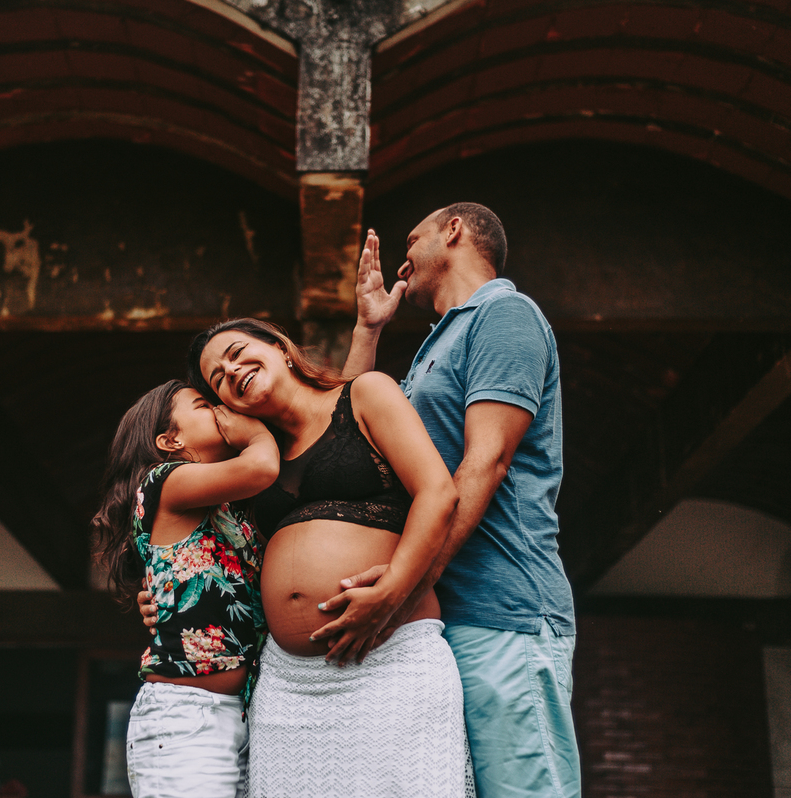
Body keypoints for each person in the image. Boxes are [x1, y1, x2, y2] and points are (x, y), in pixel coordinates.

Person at [323, 203, 581, 798]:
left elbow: (486, 461)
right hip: (441, 619)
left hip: (503, 611)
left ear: (455, 231)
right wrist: (368, 329)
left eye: (413, 240)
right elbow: (344, 436)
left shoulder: (505, 314)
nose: (402, 260)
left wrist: (404, 586)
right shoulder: (431, 351)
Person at [187, 318, 472, 798]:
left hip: (390, 655)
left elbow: (438, 493)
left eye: (237, 352)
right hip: (290, 684)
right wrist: (159, 593)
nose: (231, 370)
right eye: (218, 377)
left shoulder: (366, 395)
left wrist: (392, 591)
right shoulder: (258, 458)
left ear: (279, 347)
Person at [91, 379, 279, 798]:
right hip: (185, 715)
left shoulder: (227, 507)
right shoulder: (166, 479)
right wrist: (256, 433)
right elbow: (263, 466)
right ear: (169, 439)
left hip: (239, 715)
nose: (218, 409)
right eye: (202, 405)